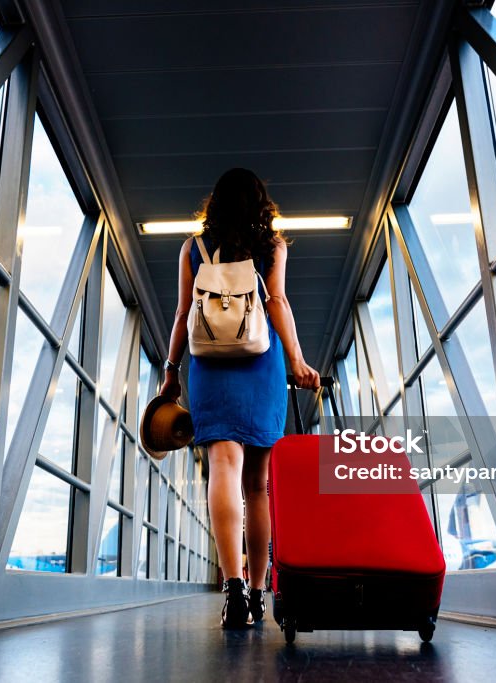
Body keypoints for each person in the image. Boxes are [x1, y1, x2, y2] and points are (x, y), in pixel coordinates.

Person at [159, 168, 320, 629]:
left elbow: (183, 312)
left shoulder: (193, 248)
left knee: (222, 471)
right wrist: (297, 360)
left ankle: (230, 589)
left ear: (215, 203)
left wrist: (171, 371)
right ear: (261, 203)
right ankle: (257, 590)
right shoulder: (272, 247)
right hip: (259, 362)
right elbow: (278, 304)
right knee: (258, 485)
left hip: (209, 364)